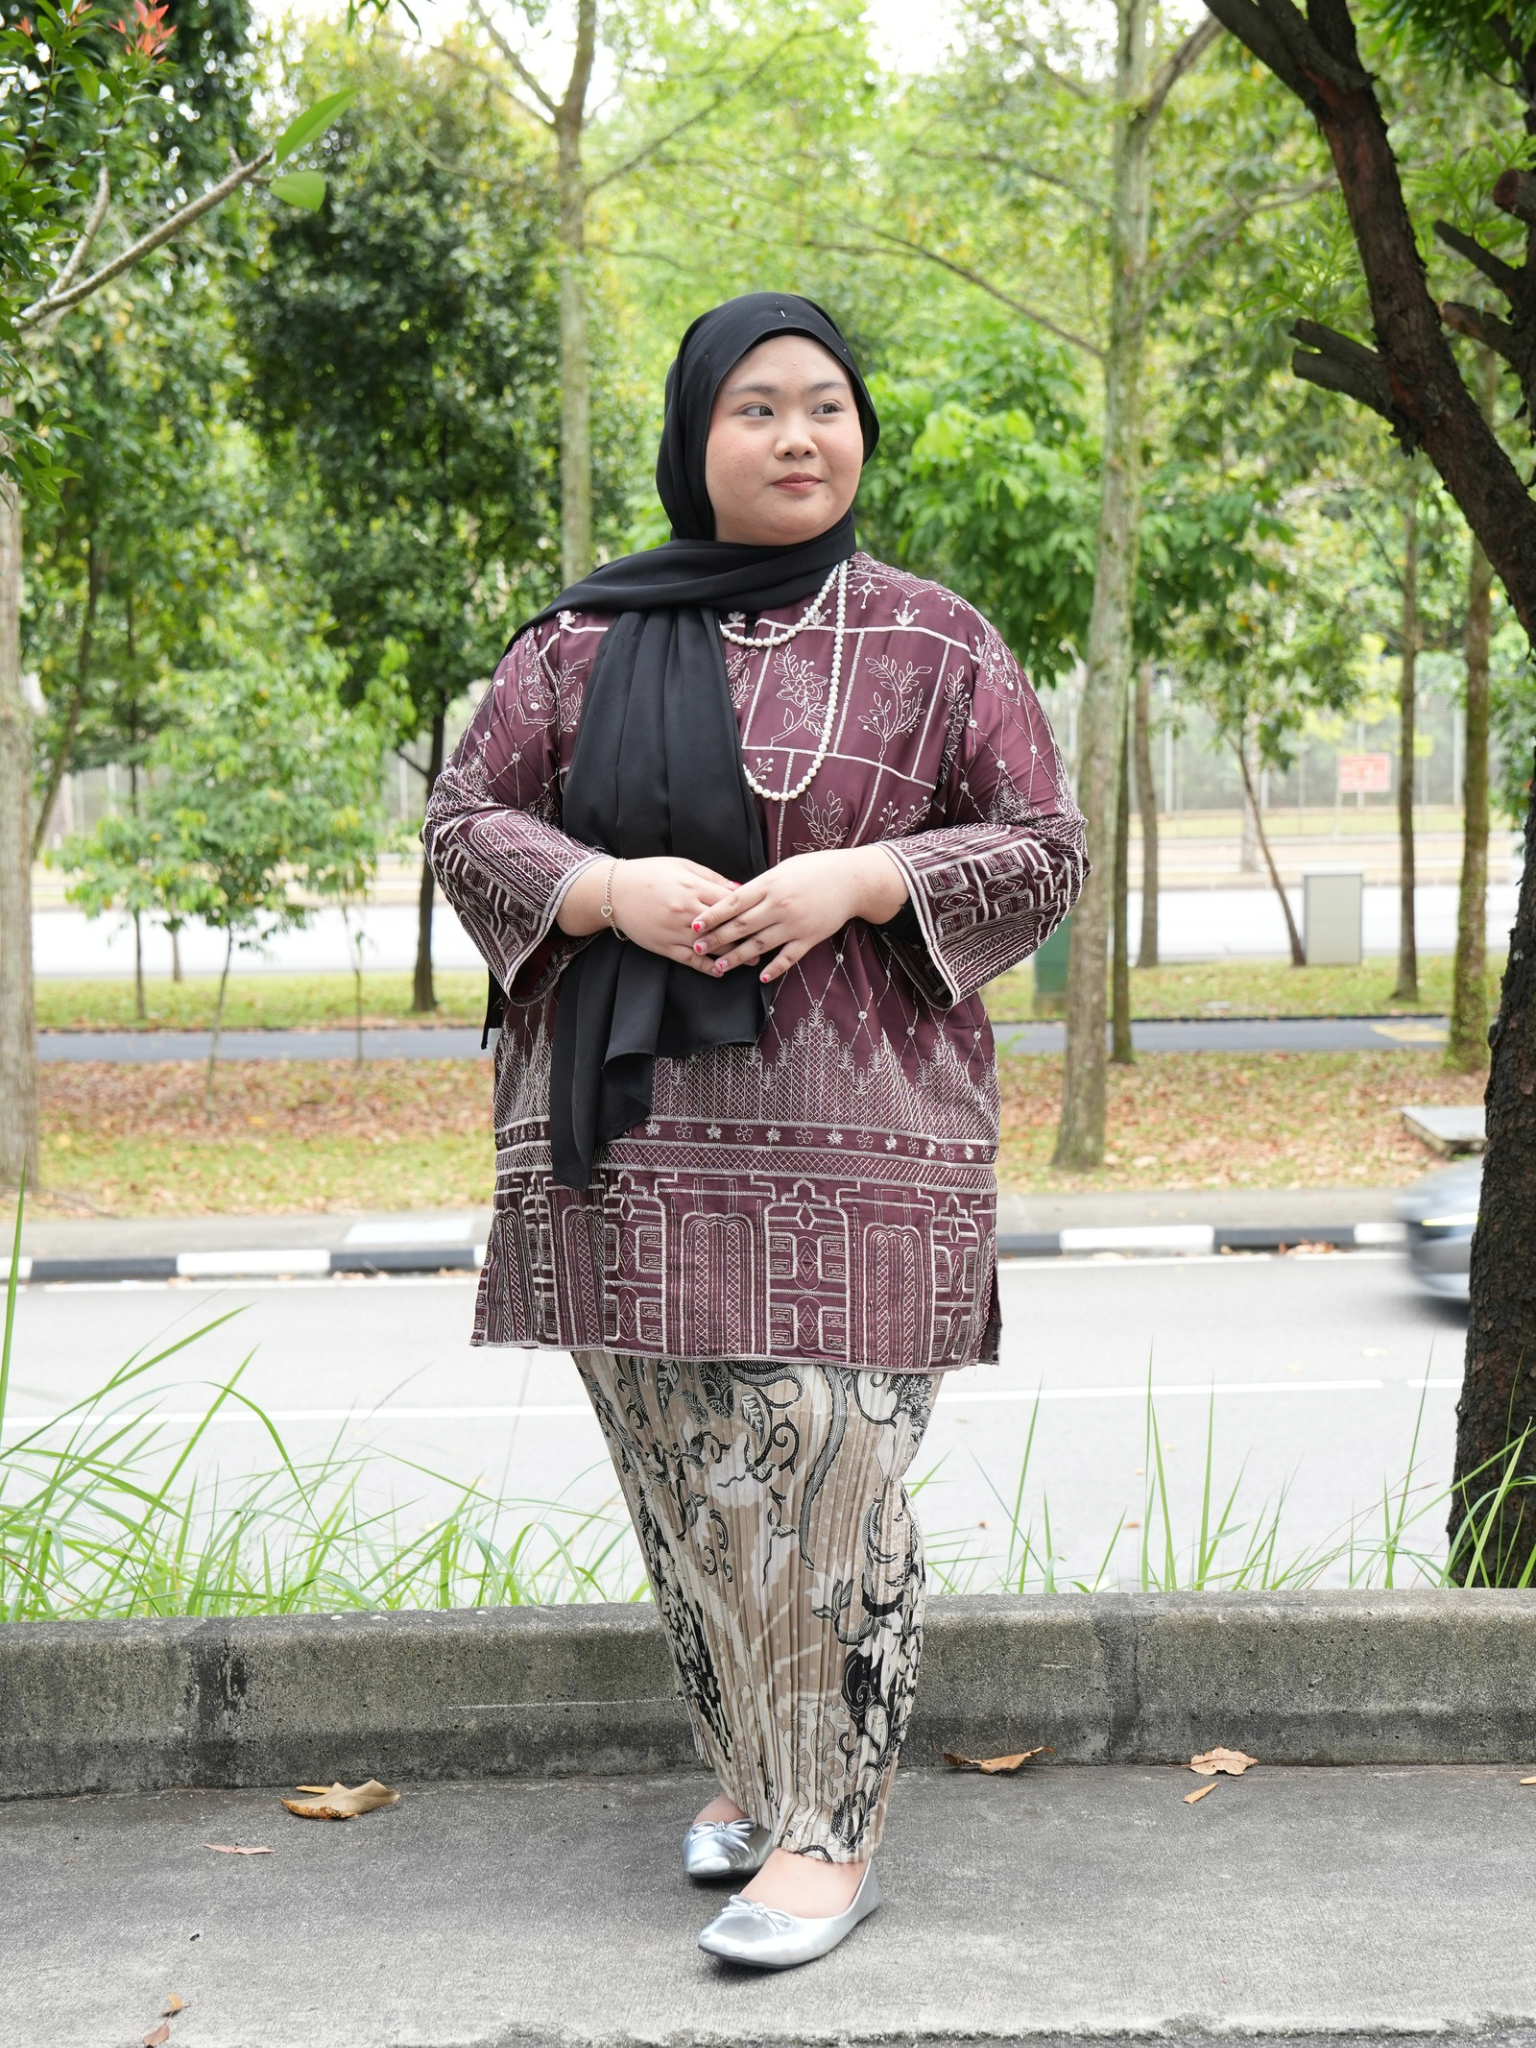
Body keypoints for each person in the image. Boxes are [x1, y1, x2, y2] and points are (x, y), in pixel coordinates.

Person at [423, 292, 1086, 1970]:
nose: (801, 436)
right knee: (691, 1494)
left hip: (871, 1152)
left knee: (830, 1477)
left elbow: (1047, 846)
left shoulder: (939, 642)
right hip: (629, 1146)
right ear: (694, 436)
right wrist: (600, 889)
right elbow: (466, 816)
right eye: (758, 408)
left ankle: (826, 1834)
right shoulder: (578, 642)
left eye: (827, 406)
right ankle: (757, 1768)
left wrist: (869, 877)